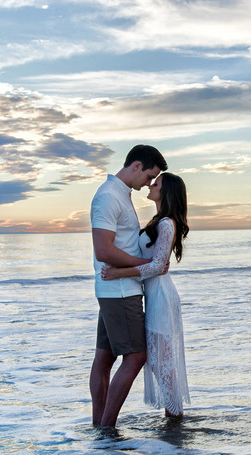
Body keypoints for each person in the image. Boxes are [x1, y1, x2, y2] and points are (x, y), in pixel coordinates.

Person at [89, 144, 168, 427]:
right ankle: (107, 427)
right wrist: (143, 267)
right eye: (149, 176)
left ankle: (100, 426)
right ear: (137, 166)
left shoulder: (119, 195)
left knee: (106, 357)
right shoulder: (109, 196)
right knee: (135, 356)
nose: (148, 183)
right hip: (121, 291)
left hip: (116, 289)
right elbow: (104, 250)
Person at [101, 172, 190, 420]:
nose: (151, 185)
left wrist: (119, 272)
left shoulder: (166, 223)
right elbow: (154, 264)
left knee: (162, 364)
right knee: (159, 362)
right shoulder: (158, 221)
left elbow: (157, 266)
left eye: (157, 183)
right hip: (153, 295)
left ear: (167, 192)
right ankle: (174, 419)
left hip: (161, 297)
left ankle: (175, 421)